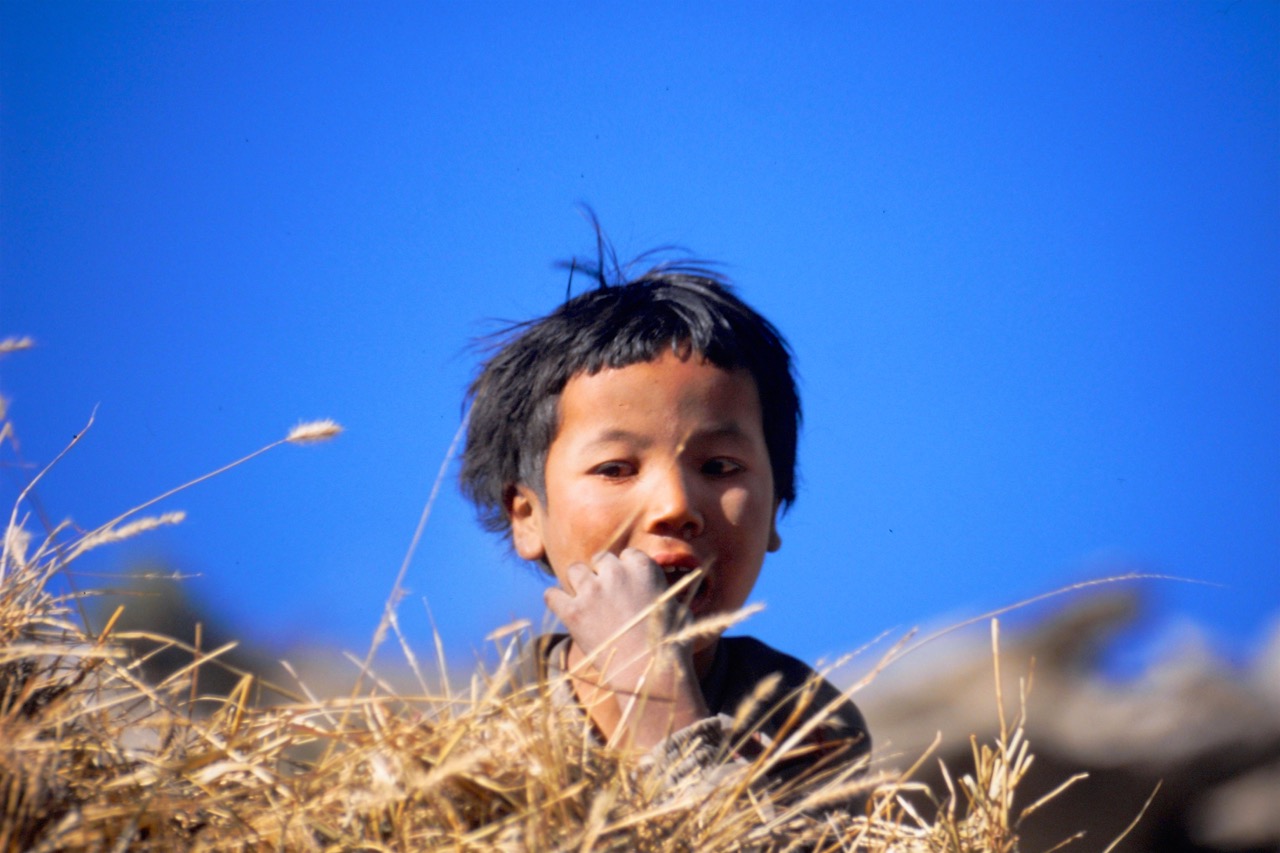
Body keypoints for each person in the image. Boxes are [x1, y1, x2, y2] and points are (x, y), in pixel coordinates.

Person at [459, 248, 870, 805]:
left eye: (719, 467)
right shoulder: (473, 749)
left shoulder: (801, 722)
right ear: (527, 517)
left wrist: (659, 706)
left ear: (775, 507)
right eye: (615, 469)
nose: (676, 506)